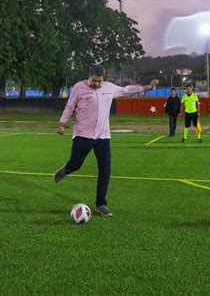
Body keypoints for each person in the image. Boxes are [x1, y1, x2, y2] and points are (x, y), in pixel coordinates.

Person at [54, 64, 158, 217]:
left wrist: (148, 87)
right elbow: (70, 106)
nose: (97, 84)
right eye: (94, 81)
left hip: (103, 136)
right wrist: (62, 124)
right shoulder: (78, 87)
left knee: (105, 168)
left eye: (99, 81)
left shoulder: (109, 87)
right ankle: (66, 169)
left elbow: (126, 90)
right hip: (83, 134)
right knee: (76, 164)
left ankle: (101, 203)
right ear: (89, 76)